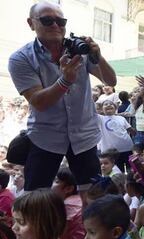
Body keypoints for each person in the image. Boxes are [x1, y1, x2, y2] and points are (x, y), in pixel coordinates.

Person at [8, 2, 117, 205]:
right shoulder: (20, 58)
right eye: (47, 20)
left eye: (61, 21)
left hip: (84, 135)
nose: (55, 25)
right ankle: (40, 237)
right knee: (35, 201)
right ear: (31, 24)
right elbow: (38, 102)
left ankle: (91, 235)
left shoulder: (79, 50)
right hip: (45, 137)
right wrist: (65, 80)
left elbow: (111, 81)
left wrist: (98, 56)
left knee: (94, 199)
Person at [52, 168, 85, 239]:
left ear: (68, 189)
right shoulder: (78, 200)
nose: (51, 184)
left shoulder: (68, 206)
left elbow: (53, 236)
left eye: (56, 181)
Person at [97, 100, 135, 170]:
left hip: (127, 148)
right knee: (115, 170)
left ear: (115, 108)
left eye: (111, 104)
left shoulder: (121, 118)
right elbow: (92, 112)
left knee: (130, 169)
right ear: (101, 109)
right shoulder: (100, 119)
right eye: (106, 104)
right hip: (110, 152)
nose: (108, 105)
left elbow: (131, 130)